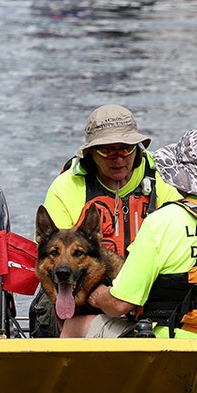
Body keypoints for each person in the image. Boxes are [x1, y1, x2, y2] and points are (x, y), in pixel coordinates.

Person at [64, 129, 197, 339]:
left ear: (180, 176)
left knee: (75, 326)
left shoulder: (163, 220)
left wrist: (97, 293)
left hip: (175, 339)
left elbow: (118, 305)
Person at [28, 104, 182, 337]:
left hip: (146, 294)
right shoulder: (66, 187)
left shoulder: (163, 183)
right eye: (107, 151)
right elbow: (52, 257)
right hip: (77, 293)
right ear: (90, 153)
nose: (118, 159)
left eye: (126, 149)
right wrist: (100, 297)